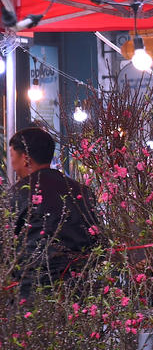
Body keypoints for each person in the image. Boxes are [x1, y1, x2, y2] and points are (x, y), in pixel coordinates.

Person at [9, 126, 99, 295]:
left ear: (26, 159)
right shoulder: (82, 191)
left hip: (34, 290)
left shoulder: (18, 194)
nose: (12, 165)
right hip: (80, 289)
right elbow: (96, 239)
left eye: (12, 156)